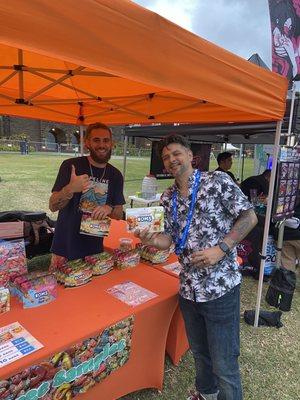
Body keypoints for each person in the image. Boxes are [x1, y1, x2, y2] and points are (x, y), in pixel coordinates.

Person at [135, 134, 257, 400]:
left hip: (219, 288)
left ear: (191, 156)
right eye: (166, 157)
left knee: (224, 362)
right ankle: (206, 394)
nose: (171, 160)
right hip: (188, 289)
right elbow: (170, 237)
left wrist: (221, 249)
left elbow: (249, 216)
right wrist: (154, 240)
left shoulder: (217, 182)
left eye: (176, 153)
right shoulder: (168, 197)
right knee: (201, 353)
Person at [49, 122, 125, 261]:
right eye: (96, 140)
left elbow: (119, 214)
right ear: (87, 143)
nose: (102, 145)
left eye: (106, 140)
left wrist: (110, 207)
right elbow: (53, 206)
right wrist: (70, 188)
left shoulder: (116, 175)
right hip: (65, 247)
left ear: (111, 143)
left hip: (94, 249)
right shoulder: (71, 166)